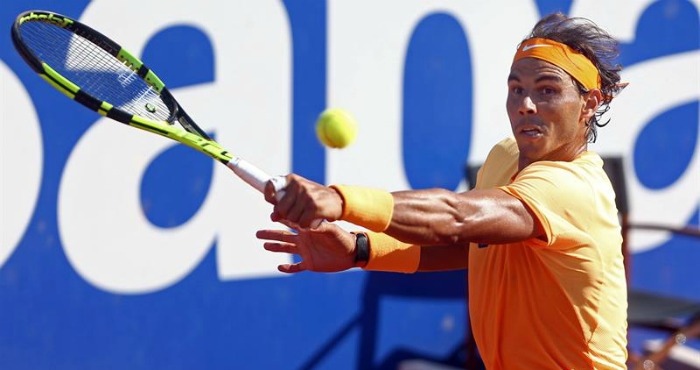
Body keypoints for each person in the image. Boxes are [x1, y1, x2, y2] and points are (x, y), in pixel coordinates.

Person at [257, 12, 628, 369]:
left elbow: (455, 218)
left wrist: (340, 201)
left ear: (588, 104)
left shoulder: (574, 188)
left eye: (547, 90)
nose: (525, 105)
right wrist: (362, 248)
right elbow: (474, 247)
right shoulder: (504, 156)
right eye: (516, 89)